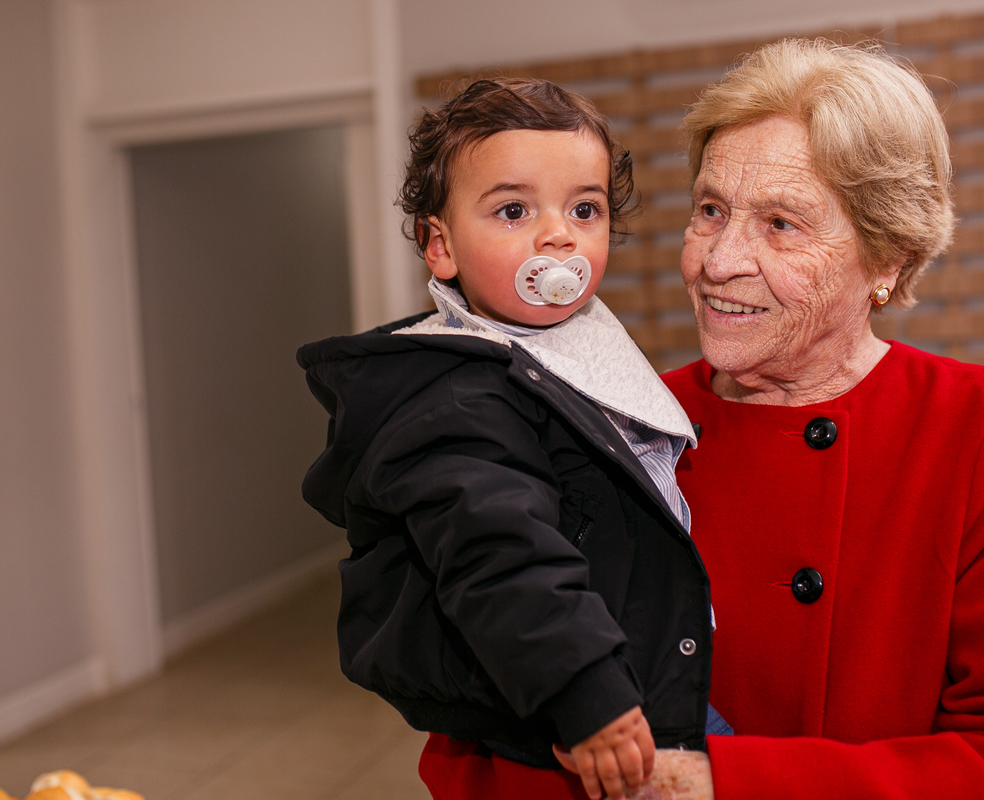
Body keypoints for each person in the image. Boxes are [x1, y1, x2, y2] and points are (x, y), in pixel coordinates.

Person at [422, 39, 984, 799]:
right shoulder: (598, 419)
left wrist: (708, 786)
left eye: (781, 224)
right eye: (711, 211)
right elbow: (470, 743)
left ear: (888, 256)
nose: (718, 260)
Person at [297, 78, 717, 800]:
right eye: (514, 209)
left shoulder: (561, 343)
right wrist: (586, 690)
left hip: (639, 671)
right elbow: (500, 557)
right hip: (572, 704)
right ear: (440, 246)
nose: (558, 234)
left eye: (584, 208)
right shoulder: (455, 394)